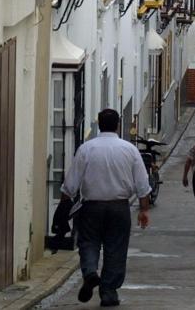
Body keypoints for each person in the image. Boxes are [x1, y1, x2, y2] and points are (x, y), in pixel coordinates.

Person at [61, 109, 152, 307]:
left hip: (91, 207)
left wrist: (63, 205)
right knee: (116, 248)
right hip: (119, 207)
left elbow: (70, 184)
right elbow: (142, 184)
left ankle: (90, 272)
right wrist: (144, 210)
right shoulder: (129, 149)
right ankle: (109, 291)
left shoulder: (87, 149)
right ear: (118, 125)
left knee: (88, 243)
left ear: (99, 124)